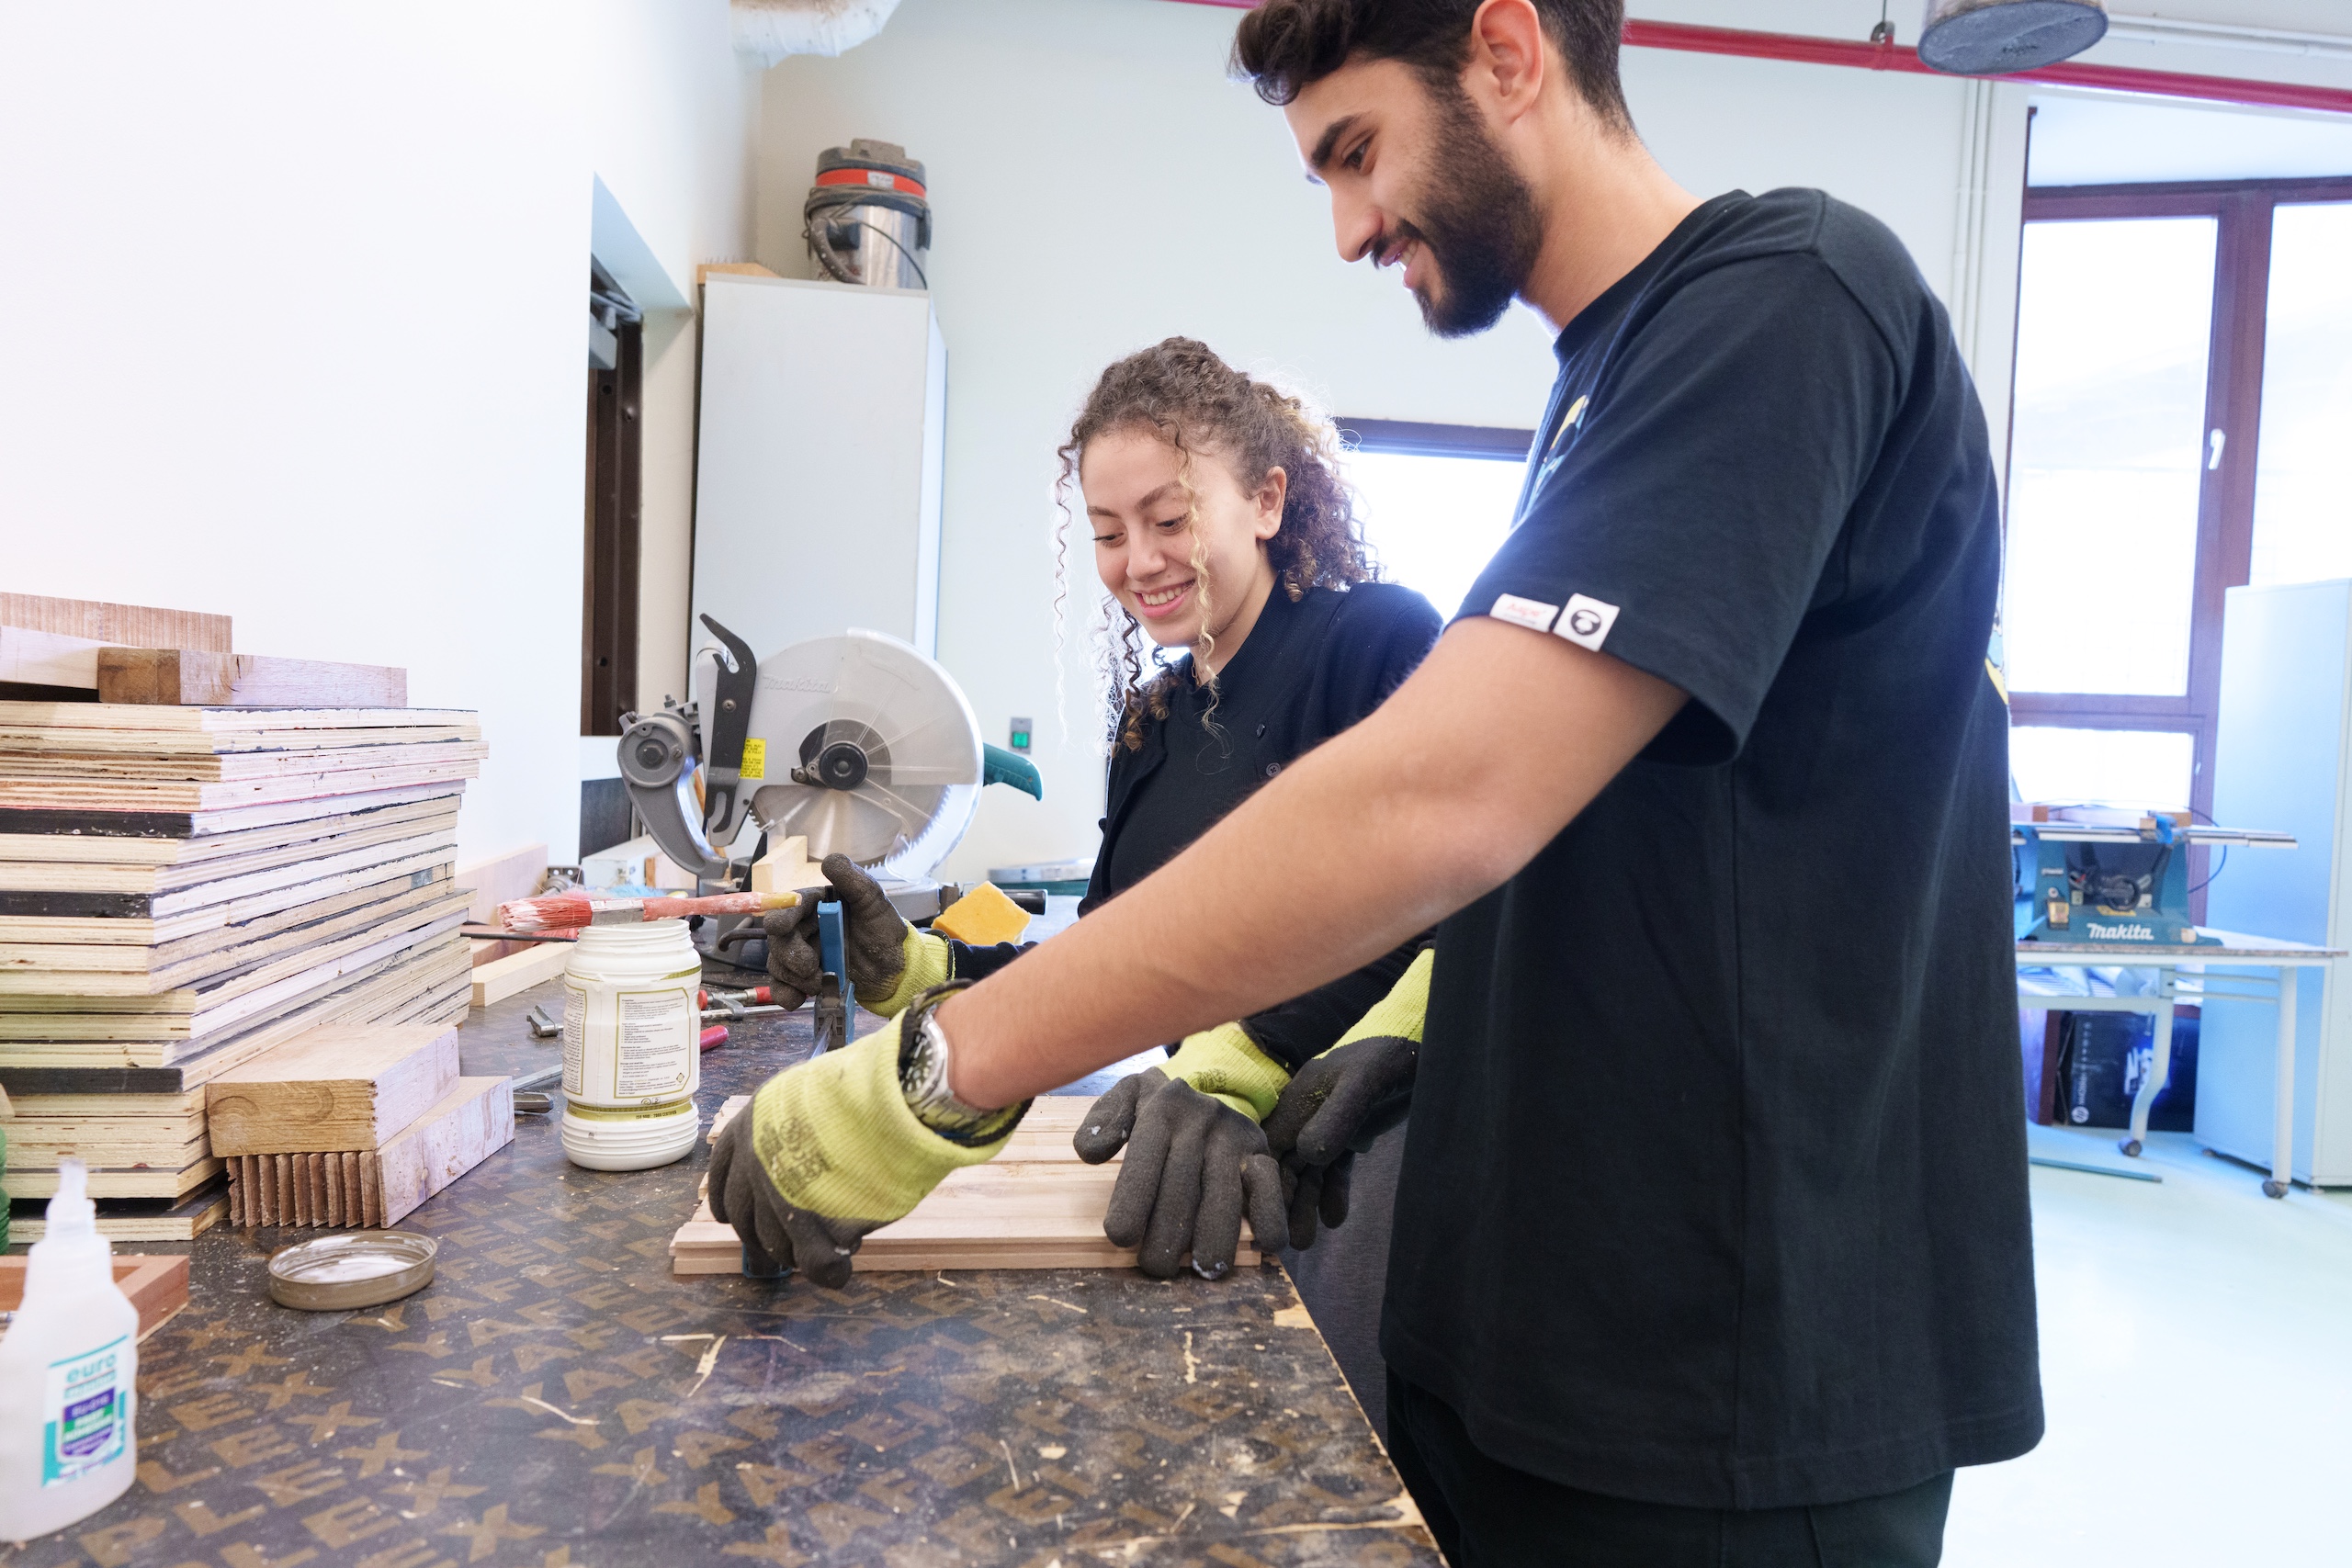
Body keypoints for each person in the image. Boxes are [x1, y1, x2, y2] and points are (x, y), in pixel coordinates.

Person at [707, 1, 2042, 1562]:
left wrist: (935, 1076)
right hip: (1529, 1331)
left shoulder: (1790, 300)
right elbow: (1588, 843)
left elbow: (1442, 799)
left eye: (1358, 151)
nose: (1346, 228)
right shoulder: (1600, 401)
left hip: (1730, 1372)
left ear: (1508, 48)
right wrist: (1404, 1030)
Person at [741, 338, 1438, 1409]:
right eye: (1108, 534)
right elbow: (1113, 954)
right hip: (1190, 1165)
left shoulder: (1372, 639)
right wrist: (917, 969)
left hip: (1349, 1171)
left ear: (1265, 500)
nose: (1138, 561)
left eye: (1168, 519)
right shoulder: (1151, 721)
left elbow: (1420, 904)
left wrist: (1245, 1060)